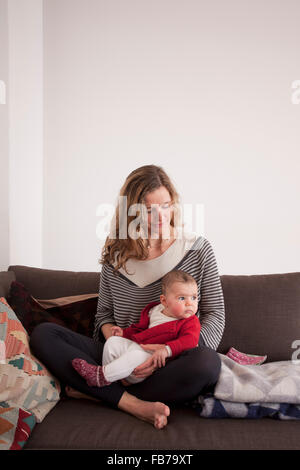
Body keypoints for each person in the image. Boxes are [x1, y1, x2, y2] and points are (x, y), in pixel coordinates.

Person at [30, 164, 225, 429]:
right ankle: (132, 403)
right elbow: (104, 316)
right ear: (130, 212)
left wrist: (164, 356)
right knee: (44, 335)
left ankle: (100, 393)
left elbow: (215, 314)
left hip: (168, 360)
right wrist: (112, 333)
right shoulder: (116, 255)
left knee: (207, 363)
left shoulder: (198, 250)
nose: (160, 216)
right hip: (121, 354)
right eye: (148, 210)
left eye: (166, 205)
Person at [72, 270, 201, 387]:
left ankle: (100, 376)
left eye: (194, 297)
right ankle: (111, 380)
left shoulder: (190, 322)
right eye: (182, 298)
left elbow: (190, 341)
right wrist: (123, 333)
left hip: (155, 363)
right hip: (139, 349)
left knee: (135, 356)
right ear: (164, 301)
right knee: (112, 342)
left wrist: (167, 350)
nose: (190, 303)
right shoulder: (154, 311)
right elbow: (139, 330)